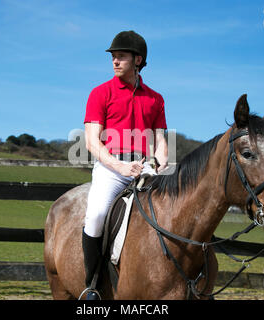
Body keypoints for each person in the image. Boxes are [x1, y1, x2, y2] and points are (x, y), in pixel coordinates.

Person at [81, 30, 168, 300]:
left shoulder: (155, 98)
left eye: (121, 57)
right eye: (113, 57)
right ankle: (92, 285)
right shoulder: (100, 93)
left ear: (138, 60)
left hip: (145, 168)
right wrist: (119, 167)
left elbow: (160, 142)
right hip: (111, 168)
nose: (115, 61)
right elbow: (92, 142)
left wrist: (158, 166)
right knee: (95, 216)